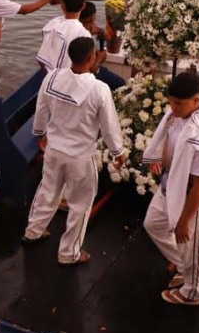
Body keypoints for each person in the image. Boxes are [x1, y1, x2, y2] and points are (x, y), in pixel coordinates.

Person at [23, 37, 127, 266]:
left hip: (54, 149)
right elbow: (109, 126)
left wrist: (41, 134)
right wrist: (118, 152)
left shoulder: (52, 78)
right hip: (80, 156)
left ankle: (34, 231)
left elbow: (40, 109)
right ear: (91, 58)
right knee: (80, 204)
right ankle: (69, 253)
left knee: (47, 191)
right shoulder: (99, 89)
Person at [142, 71, 199, 306]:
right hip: (173, 182)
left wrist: (184, 220)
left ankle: (192, 292)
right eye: (171, 101)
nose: (173, 107)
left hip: (195, 194)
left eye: (179, 103)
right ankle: (182, 265)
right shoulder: (176, 113)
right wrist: (159, 156)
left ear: (196, 101)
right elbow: (169, 138)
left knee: (191, 243)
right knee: (154, 223)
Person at [36, 0, 92, 73]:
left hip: (50, 74)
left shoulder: (53, 23)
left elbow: (41, 60)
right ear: (83, 6)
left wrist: (50, 76)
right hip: (69, 77)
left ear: (62, 5)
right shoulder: (84, 34)